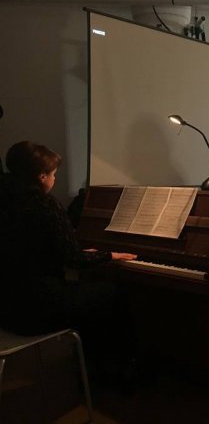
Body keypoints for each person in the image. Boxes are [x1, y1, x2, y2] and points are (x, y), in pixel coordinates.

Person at [0, 141, 138, 379]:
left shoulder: (6, 201)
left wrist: (79, 251)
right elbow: (74, 259)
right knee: (114, 294)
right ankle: (122, 368)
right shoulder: (44, 204)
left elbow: (32, 248)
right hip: (39, 310)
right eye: (54, 174)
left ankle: (94, 363)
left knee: (89, 294)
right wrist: (109, 255)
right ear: (41, 177)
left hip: (8, 310)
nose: (54, 179)